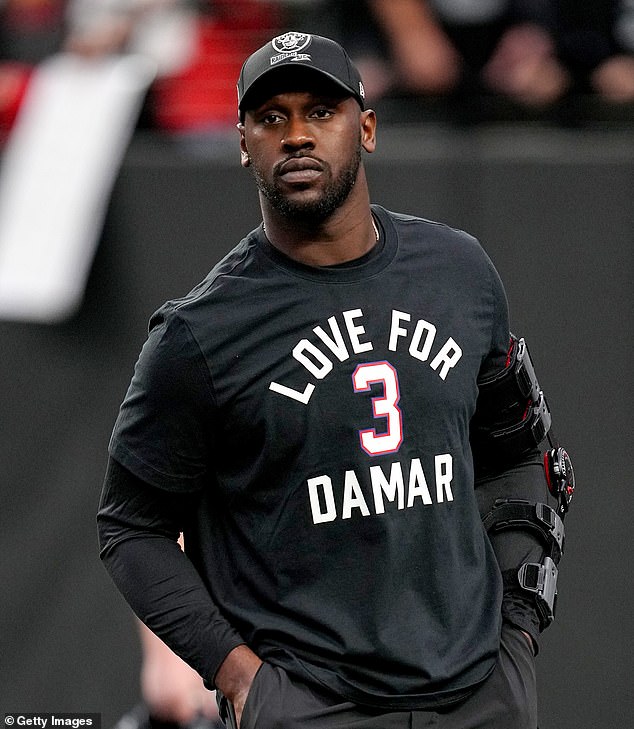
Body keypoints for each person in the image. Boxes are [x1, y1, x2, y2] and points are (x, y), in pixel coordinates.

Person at [98, 31, 574, 728]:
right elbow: (129, 526)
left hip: (480, 695)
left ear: (368, 128)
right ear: (241, 141)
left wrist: (519, 634)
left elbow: (521, 451)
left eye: (320, 110)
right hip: (313, 703)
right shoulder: (200, 333)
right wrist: (241, 679)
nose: (296, 134)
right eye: (271, 117)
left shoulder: (458, 272)